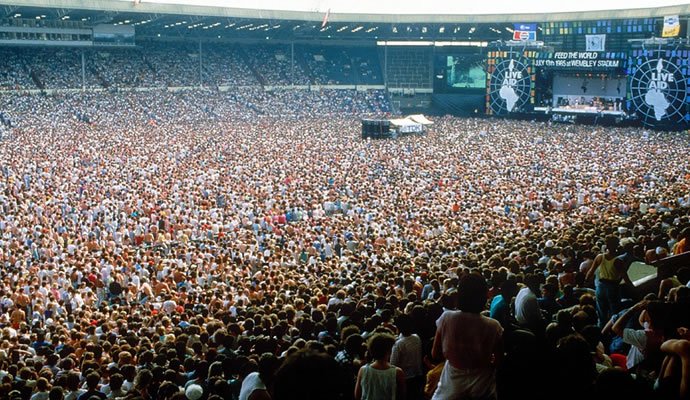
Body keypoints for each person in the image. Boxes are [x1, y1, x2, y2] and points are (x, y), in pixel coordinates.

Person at [431, 273, 503, 400]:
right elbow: (498, 360)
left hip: (451, 388)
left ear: (460, 295)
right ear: (484, 296)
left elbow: (435, 354)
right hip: (483, 387)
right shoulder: (493, 326)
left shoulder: (446, 318)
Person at [586, 236, 631, 327]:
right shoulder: (618, 261)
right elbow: (626, 279)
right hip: (613, 288)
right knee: (615, 314)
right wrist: (634, 289)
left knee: (602, 314)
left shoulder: (600, 257)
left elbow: (590, 273)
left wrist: (586, 281)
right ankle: (613, 332)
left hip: (600, 287)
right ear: (617, 246)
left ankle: (602, 333)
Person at [355, 332, 406, 400]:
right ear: (389, 351)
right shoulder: (397, 372)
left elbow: (357, 395)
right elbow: (402, 396)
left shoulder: (363, 370)